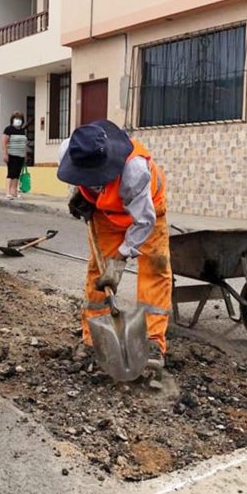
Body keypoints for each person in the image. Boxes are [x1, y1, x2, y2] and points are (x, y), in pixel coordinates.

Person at [57, 119, 172, 358]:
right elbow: (76, 177)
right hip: (105, 214)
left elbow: (143, 222)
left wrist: (119, 259)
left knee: (155, 269)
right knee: (98, 274)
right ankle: (93, 338)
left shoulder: (134, 171)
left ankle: (152, 342)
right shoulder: (73, 150)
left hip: (147, 212)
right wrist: (80, 197)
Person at [2, 111, 28, 200]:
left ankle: (14, 192)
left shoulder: (22, 131)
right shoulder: (8, 129)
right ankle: (7, 192)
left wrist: (25, 155)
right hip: (11, 154)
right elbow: (4, 142)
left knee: (17, 174)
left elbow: (24, 143)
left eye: (20, 119)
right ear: (12, 120)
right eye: (16, 119)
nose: (18, 120)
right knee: (11, 173)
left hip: (20, 155)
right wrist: (5, 153)